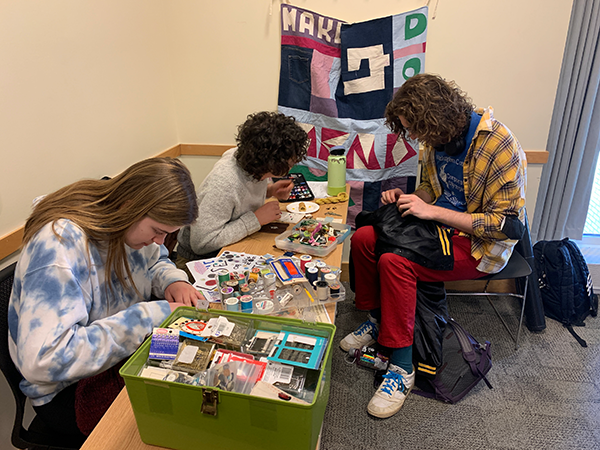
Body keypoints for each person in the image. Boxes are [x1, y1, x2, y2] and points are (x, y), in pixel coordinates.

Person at [340, 73, 527, 419]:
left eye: (417, 130)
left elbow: (503, 227)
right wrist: (412, 200)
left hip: (479, 248)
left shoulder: (498, 145)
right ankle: (377, 319)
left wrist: (432, 210)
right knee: (365, 237)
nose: (414, 138)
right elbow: (430, 187)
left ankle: (401, 368)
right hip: (436, 227)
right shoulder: (435, 140)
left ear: (437, 118)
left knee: (395, 262)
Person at [8, 157, 204, 441]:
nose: (161, 241)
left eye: (168, 234)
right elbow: (44, 361)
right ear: (131, 206)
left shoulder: (126, 225)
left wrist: (172, 280)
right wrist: (149, 318)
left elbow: (153, 259)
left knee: (198, 368)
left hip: (120, 356)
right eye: (158, 230)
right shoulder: (59, 246)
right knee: (182, 422)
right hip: (68, 389)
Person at [176, 111, 309, 270]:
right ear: (270, 162)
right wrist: (256, 219)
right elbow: (201, 243)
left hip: (229, 248)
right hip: (200, 261)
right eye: (290, 162)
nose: (292, 165)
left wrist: (270, 191)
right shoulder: (223, 182)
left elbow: (238, 198)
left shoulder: (250, 164)